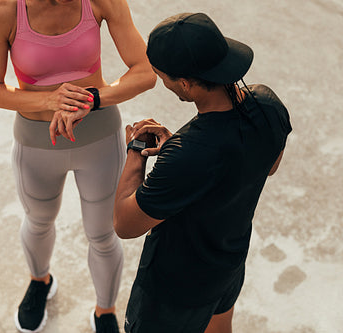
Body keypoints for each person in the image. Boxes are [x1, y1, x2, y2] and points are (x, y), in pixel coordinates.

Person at [0, 0, 156, 331]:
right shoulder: (1, 10)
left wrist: (94, 98)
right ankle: (40, 281)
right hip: (36, 143)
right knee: (38, 221)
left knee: (103, 234)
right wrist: (47, 100)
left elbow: (145, 71)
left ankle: (105, 311)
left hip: (100, 137)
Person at [113, 12, 292, 333]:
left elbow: (124, 224)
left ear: (185, 83)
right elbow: (269, 165)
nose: (163, 82)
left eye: (163, 76)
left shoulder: (187, 156)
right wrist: (178, 156)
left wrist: (136, 151)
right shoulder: (268, 104)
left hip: (174, 289)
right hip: (228, 263)